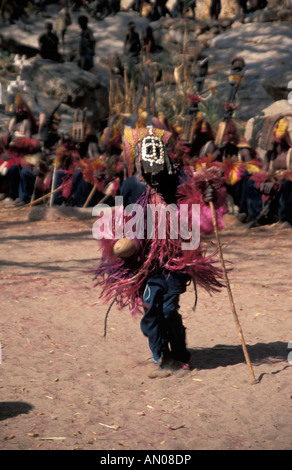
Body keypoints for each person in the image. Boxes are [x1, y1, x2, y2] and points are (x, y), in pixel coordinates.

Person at [92, 121, 227, 371]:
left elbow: (204, 204)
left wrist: (210, 195)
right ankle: (160, 354)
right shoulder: (132, 185)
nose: (154, 177)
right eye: (148, 172)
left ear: (166, 162)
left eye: (158, 170)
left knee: (169, 309)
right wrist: (121, 242)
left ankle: (181, 354)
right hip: (145, 261)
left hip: (176, 258)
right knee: (150, 307)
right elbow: (122, 215)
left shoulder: (180, 180)